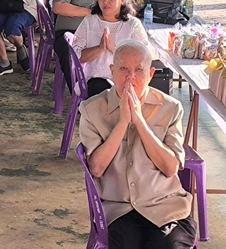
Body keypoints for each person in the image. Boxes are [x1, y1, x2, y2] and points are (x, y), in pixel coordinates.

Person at [79, 40, 196, 249]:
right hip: (119, 208)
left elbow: (170, 168)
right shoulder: (92, 109)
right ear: (112, 71)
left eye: (139, 70)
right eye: (123, 69)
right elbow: (96, 168)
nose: (131, 77)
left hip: (165, 206)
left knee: (169, 244)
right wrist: (123, 122)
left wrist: (139, 121)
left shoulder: (170, 108)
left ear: (150, 74)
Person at [73, 0, 149, 98]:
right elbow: (77, 57)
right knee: (100, 90)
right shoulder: (89, 22)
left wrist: (115, 49)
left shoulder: (133, 25)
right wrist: (99, 49)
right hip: (95, 78)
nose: (105, 2)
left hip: (126, 79)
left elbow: (143, 58)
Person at [53, 0, 114, 92]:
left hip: (100, 34)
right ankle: (81, 94)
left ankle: (114, 94)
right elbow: (58, 7)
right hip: (70, 33)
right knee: (70, 53)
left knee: (125, 50)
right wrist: (91, 13)